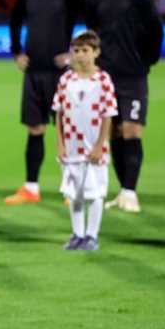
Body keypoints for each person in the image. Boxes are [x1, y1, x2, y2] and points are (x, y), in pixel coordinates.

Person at [86, 0, 163, 213]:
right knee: (114, 132)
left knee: (132, 129)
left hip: (133, 76)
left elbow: (156, 32)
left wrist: (145, 62)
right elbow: (92, 35)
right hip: (105, 78)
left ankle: (130, 192)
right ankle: (122, 191)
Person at [5, 0, 86, 205]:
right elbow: (14, 23)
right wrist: (17, 52)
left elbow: (94, 24)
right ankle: (31, 187)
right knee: (35, 129)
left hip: (63, 76)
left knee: (67, 130)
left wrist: (74, 55)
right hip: (34, 73)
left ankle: (71, 188)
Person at [53, 31, 117, 251]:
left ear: (96, 52)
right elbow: (59, 113)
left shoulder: (103, 80)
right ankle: (77, 234)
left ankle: (92, 235)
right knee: (74, 193)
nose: (80, 55)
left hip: (94, 147)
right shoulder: (66, 80)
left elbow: (108, 115)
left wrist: (100, 145)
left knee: (96, 192)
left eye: (85, 50)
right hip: (72, 147)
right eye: (76, 50)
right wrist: (60, 143)